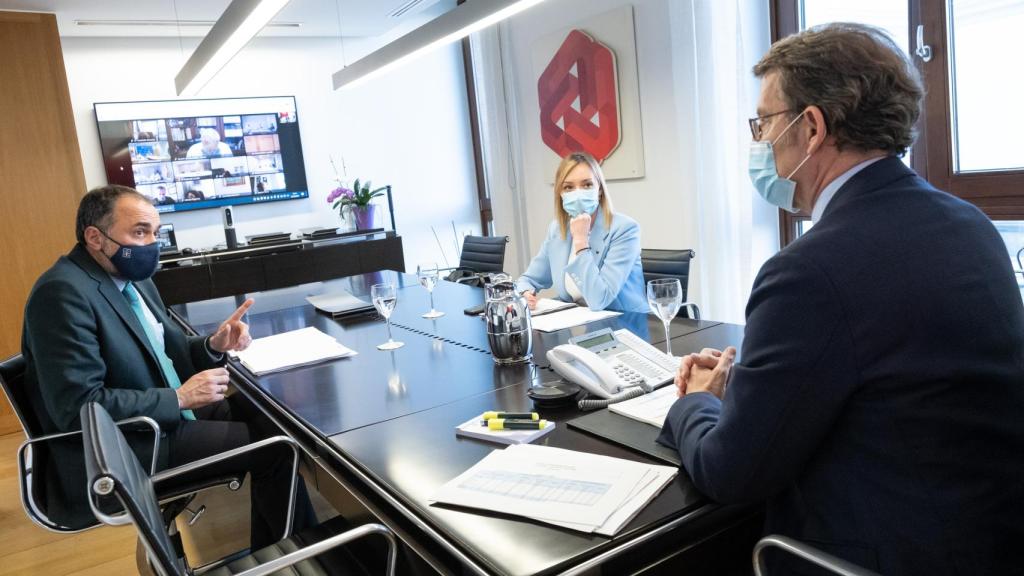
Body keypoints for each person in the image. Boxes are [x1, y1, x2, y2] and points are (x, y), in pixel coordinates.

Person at [658, 23, 1024, 574]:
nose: (759, 141)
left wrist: (694, 401)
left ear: (811, 127)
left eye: (763, 123)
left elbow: (731, 472)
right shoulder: (971, 225)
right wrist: (758, 387)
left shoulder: (809, 270)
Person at [21, 185, 315, 547]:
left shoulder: (134, 279)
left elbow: (166, 350)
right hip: (127, 446)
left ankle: (280, 552)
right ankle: (299, 555)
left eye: (155, 233)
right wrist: (178, 398)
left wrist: (213, 344)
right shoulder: (61, 293)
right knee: (278, 449)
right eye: (139, 232)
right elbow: (78, 407)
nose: (151, 244)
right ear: (95, 237)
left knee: (274, 422)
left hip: (161, 416)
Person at [515, 152, 646, 313]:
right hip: (579, 320)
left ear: (599, 189)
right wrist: (525, 292)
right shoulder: (557, 229)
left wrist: (580, 241)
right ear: (560, 193)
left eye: (587, 185)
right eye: (568, 187)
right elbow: (528, 279)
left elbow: (600, 299)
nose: (578, 193)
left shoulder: (624, 229)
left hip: (625, 320)